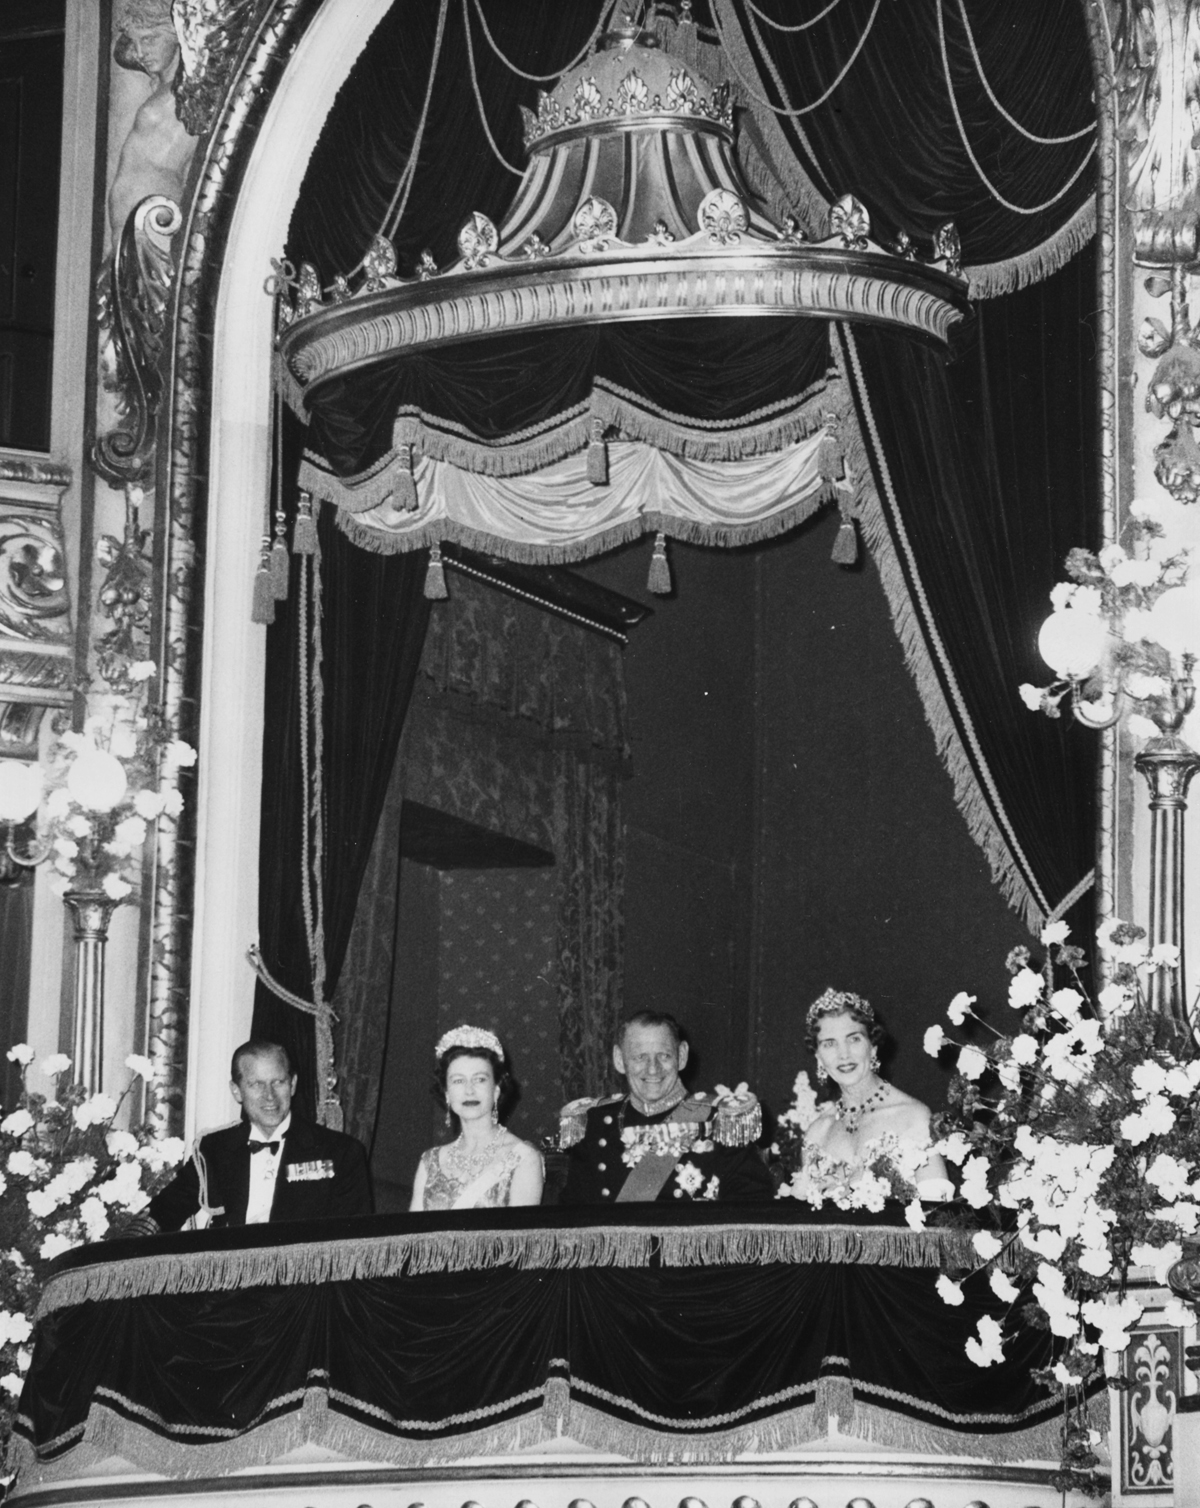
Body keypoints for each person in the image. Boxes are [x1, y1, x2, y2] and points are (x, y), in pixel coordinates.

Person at [144, 1040, 373, 1230]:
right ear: (237, 1091)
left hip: (303, 1281)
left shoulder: (340, 1153)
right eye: (256, 1084)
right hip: (230, 1276)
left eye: (278, 1082)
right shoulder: (215, 1148)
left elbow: (354, 1241)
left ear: (292, 1084)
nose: (269, 1096)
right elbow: (166, 1209)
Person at [559, 1010, 773, 1204]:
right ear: (619, 1059)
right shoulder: (595, 1122)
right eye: (639, 1057)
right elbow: (574, 1215)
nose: (653, 1069)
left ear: (682, 1056)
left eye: (664, 1055)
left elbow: (751, 1208)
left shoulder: (722, 1120)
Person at [792, 988, 950, 1200]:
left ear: (873, 1046)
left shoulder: (914, 1117)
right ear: (818, 1056)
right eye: (830, 1044)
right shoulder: (817, 1133)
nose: (843, 1054)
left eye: (854, 1039)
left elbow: (939, 1217)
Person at [410, 1026, 543, 1210]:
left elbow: (519, 1238)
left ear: (496, 1090)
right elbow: (412, 1236)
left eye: (479, 1079)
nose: (469, 1090)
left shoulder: (523, 1158)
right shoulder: (429, 1162)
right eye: (458, 1080)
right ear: (447, 1094)